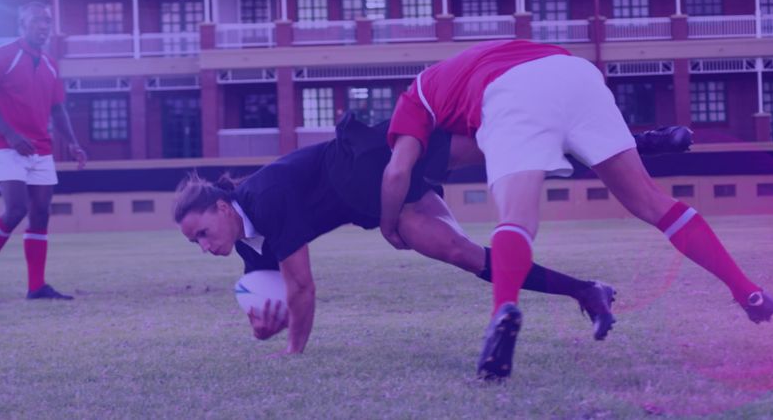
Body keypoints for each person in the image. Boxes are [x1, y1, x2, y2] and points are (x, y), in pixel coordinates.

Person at [380, 39, 773, 381]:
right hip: (575, 72)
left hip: (509, 89)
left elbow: (398, 171)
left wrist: (388, 226)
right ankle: (748, 291)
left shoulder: (413, 101)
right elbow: (550, 122)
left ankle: (502, 311)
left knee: (517, 218)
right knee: (652, 203)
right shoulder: (463, 71)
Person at [174, 112, 691, 353]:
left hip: (372, 162)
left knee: (505, 146)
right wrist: (265, 329)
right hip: (381, 201)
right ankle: (587, 290)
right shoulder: (247, 239)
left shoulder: (263, 198)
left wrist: (292, 353)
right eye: (195, 243)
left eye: (201, 233)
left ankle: (642, 141)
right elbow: (272, 300)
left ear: (222, 207)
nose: (203, 247)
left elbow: (302, 288)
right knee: (465, 255)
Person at [0, 2, 87, 301]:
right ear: (22, 23)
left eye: (47, 21)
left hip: (41, 148)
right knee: (16, 209)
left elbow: (58, 110)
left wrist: (73, 143)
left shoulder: (50, 64)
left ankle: (36, 287)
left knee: (40, 214)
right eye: (37, 20)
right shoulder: (2, 55)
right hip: (4, 145)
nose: (43, 26)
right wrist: (11, 135)